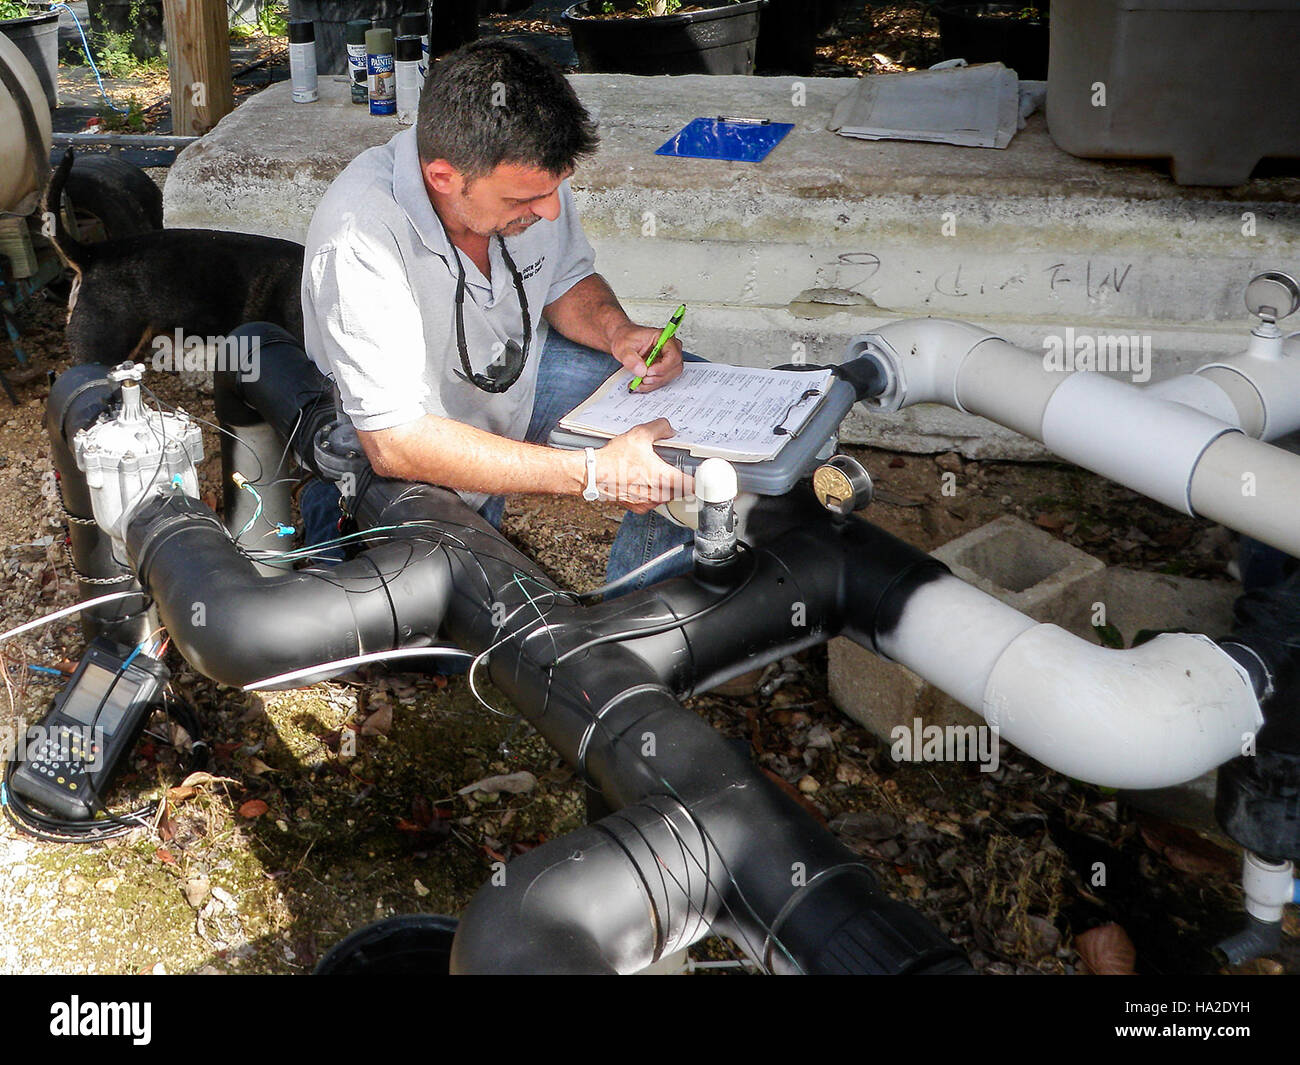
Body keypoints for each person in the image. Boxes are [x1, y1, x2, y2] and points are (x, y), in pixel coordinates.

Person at [300, 38, 696, 592]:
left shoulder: (529, 177)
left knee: (687, 423)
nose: (550, 209)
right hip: (398, 451)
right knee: (441, 647)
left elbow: (566, 279)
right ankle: (340, 550)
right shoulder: (358, 237)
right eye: (523, 202)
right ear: (442, 177)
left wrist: (617, 329)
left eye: (555, 189)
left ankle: (639, 634)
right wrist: (593, 473)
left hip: (516, 380)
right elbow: (394, 442)